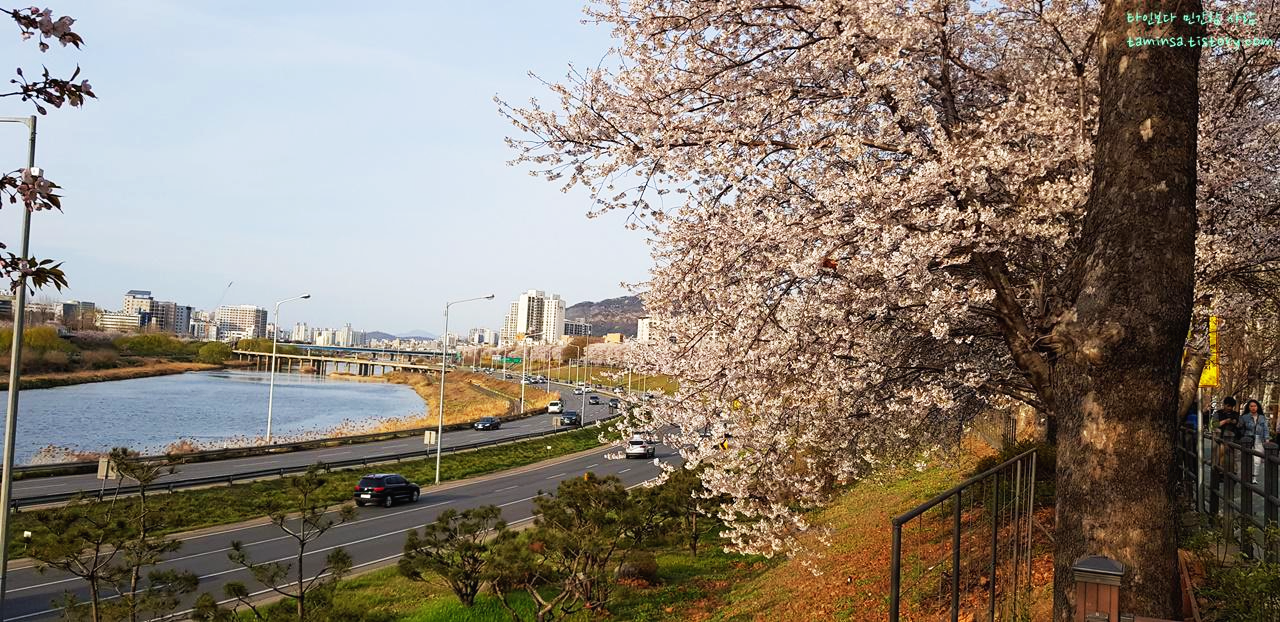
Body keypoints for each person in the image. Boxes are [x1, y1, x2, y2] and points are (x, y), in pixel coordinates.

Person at [1241, 399, 1268, 484]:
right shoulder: (1244, 417)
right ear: (1248, 407)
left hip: (1259, 439)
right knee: (1246, 458)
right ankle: (1246, 475)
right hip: (1248, 439)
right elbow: (1241, 428)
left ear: (1258, 407)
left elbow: (1265, 429)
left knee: (1257, 460)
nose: (1253, 408)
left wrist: (1267, 439)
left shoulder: (1262, 417)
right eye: (1251, 406)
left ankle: (1254, 477)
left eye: (1255, 406)